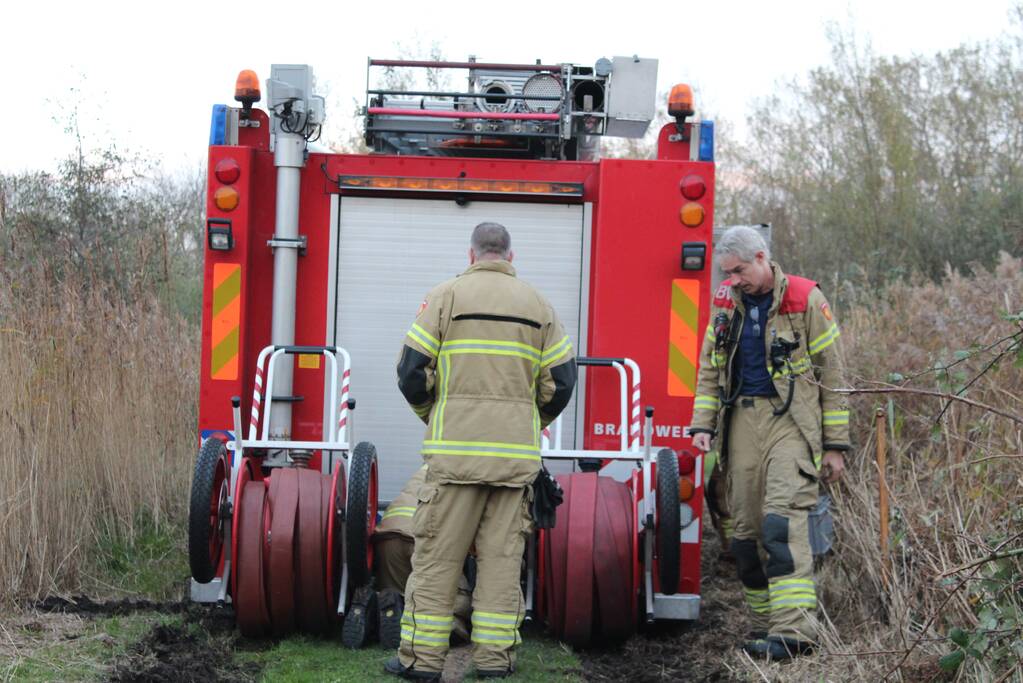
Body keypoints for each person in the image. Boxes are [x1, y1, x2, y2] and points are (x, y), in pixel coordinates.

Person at [385, 222, 577, 680]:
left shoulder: (445, 297)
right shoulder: (539, 305)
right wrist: (528, 425)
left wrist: (436, 415)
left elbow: (411, 372)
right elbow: (562, 382)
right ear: (511, 256)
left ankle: (421, 662)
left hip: (454, 464)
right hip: (513, 466)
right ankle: (495, 661)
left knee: (436, 562)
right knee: (502, 564)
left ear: (471, 255)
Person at [690, 226, 850, 661]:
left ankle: (794, 633)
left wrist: (835, 444)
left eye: (739, 271)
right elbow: (709, 369)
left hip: (791, 423)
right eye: (728, 273)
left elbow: (833, 373)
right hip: (741, 421)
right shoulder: (726, 302)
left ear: (762, 258)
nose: (733, 280)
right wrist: (702, 424)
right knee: (744, 536)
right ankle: (764, 626)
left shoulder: (804, 298)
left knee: (781, 524)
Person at [373, 465, 472, 649]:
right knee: (449, 588)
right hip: (422, 538)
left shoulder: (423, 472)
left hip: (386, 537)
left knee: (398, 592)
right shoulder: (462, 471)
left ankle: (385, 617)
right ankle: (453, 626)